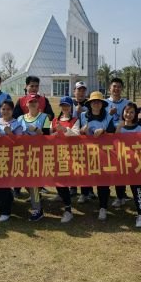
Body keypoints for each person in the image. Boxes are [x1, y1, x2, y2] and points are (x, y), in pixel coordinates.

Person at [79, 91, 117, 221]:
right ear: (89, 104)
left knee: (103, 181)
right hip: (87, 153)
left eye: (98, 102)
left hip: (104, 154)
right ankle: (84, 193)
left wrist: (104, 130)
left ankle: (103, 207)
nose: (96, 103)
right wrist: (81, 131)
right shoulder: (83, 116)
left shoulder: (108, 117)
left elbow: (113, 133)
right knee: (85, 175)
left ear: (102, 104)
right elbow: (77, 133)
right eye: (93, 102)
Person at [115, 102, 141, 228]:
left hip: (136, 165)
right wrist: (118, 128)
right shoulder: (118, 126)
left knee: (138, 190)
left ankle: (140, 215)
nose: (128, 114)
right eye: (126, 111)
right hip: (122, 164)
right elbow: (113, 142)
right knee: (119, 185)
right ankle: (120, 199)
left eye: (131, 112)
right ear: (123, 112)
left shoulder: (140, 129)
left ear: (135, 114)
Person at [0, 100, 23, 222]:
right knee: (0, 183)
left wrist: (10, 134)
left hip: (10, 158)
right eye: (3, 109)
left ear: (12, 110)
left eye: (8, 109)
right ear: (0, 110)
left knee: (4, 183)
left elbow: (20, 143)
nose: (5, 111)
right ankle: (6, 202)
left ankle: (5, 211)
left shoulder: (17, 124)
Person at [17, 94, 50, 221]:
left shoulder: (44, 117)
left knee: (33, 182)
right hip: (22, 154)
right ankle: (35, 195)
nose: (33, 103)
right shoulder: (20, 118)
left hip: (38, 154)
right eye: (30, 102)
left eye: (35, 101)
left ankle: (37, 209)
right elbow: (16, 135)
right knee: (22, 179)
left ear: (39, 103)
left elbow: (47, 136)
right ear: (26, 104)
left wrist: (37, 130)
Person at [50, 96, 80, 224]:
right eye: (63, 105)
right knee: (57, 179)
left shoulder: (75, 120)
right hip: (55, 154)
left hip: (69, 155)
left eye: (67, 105)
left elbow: (77, 134)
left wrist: (65, 130)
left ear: (71, 107)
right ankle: (61, 196)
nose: (65, 107)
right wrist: (53, 134)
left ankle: (68, 210)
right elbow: (48, 134)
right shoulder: (54, 120)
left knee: (63, 181)